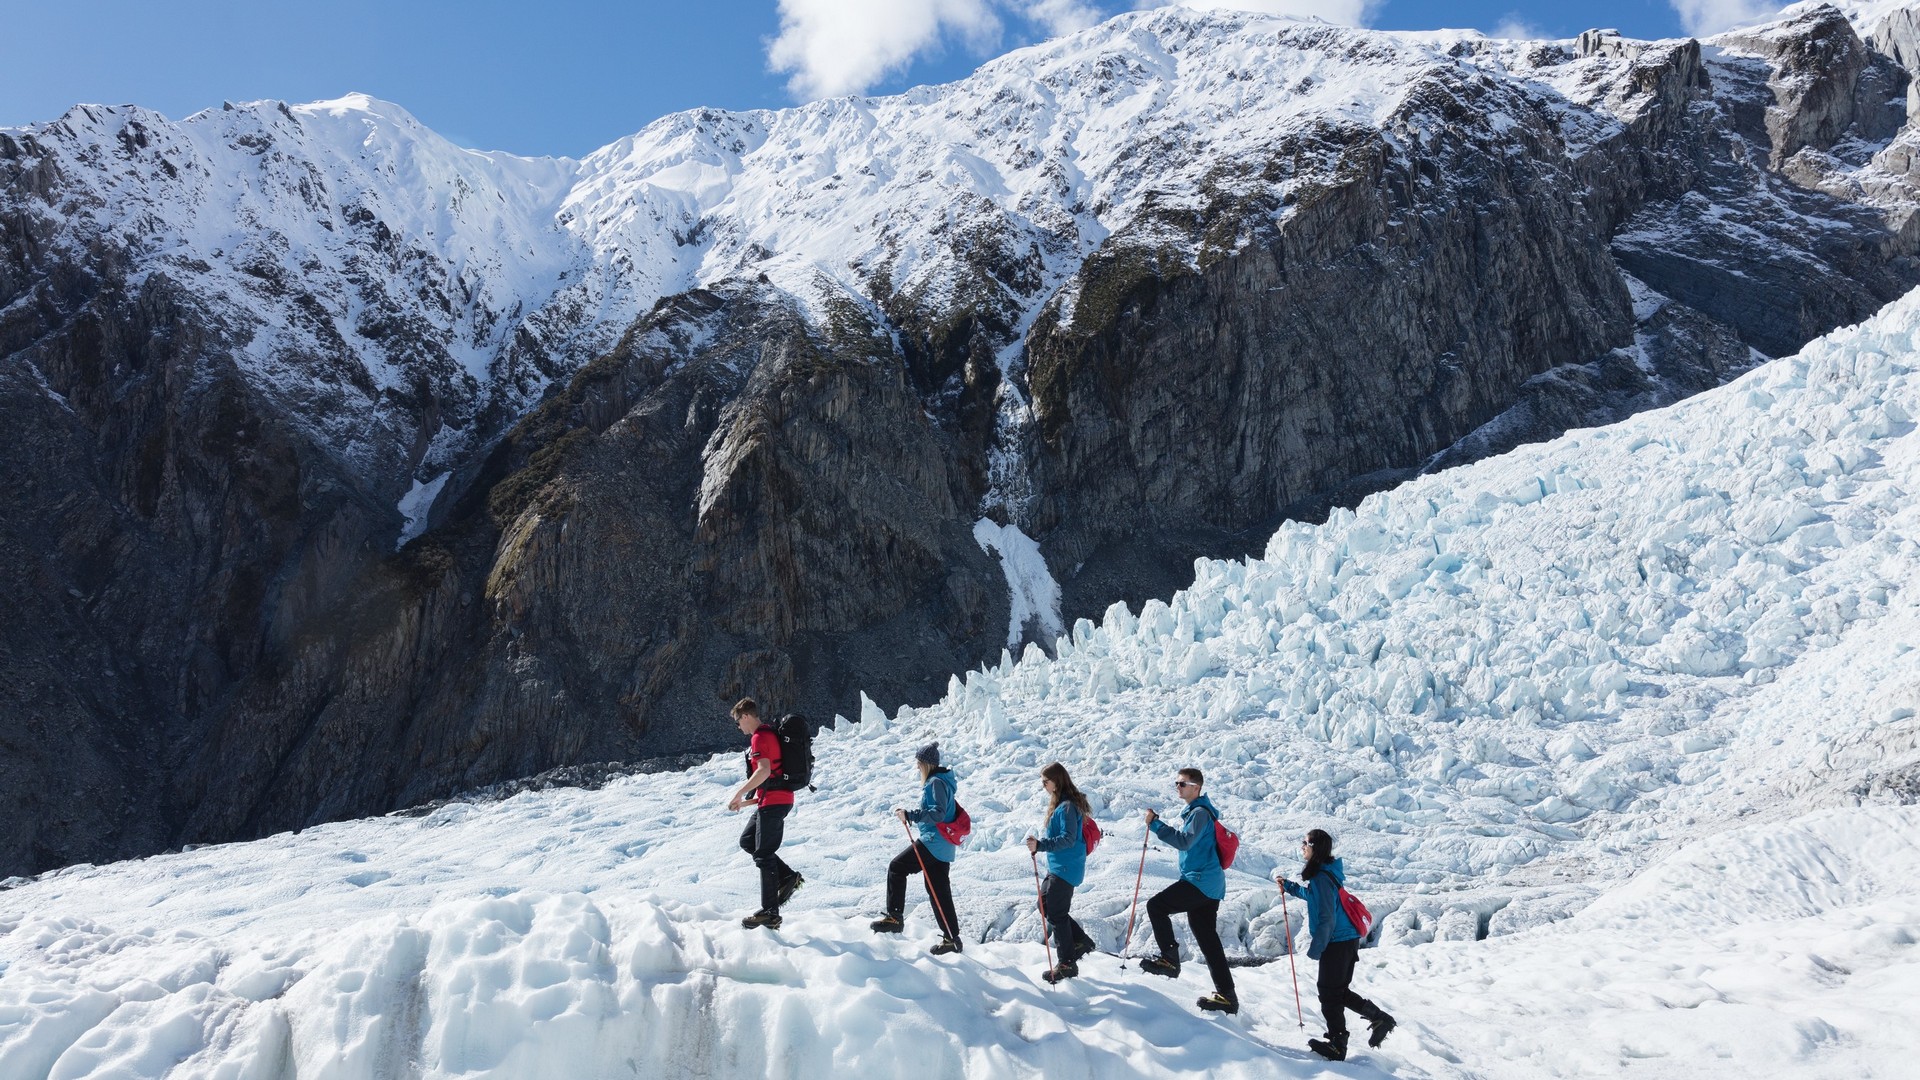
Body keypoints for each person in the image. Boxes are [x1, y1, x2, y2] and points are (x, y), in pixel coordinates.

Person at [1277, 829, 1396, 1060]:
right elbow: (1315, 897)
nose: (1302, 846)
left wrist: (1316, 948)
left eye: (1306, 843)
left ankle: (1337, 1043)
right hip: (1345, 939)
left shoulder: (1321, 877)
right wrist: (1290, 887)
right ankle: (1379, 1019)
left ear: (1315, 847)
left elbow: (1327, 919)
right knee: (1336, 991)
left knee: (1328, 993)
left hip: (1337, 941)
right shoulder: (1325, 873)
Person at [1140, 767, 1237, 1013]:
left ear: (1197, 787)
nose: (1178, 786)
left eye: (1182, 783)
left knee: (1156, 906)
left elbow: (1184, 841)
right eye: (1177, 783)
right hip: (1210, 885)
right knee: (1208, 940)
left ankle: (1170, 960)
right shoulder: (1198, 813)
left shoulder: (1200, 813)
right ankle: (1228, 997)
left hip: (1200, 881)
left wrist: (1156, 825)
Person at [871, 742, 963, 955]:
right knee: (938, 891)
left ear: (927, 764)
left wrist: (911, 815)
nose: (917, 767)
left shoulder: (935, 783)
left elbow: (938, 813)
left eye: (919, 763)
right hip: (943, 846)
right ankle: (952, 939)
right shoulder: (944, 782)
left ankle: (894, 917)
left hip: (933, 842)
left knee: (897, 867)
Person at [728, 698, 802, 930]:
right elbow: (771, 777)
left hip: (775, 801)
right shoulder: (768, 734)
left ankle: (770, 912)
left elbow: (764, 770)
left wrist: (739, 793)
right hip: (771, 800)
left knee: (764, 853)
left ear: (746, 716)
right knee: (748, 841)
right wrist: (748, 802)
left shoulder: (760, 736)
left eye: (738, 721)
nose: (739, 727)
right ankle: (788, 877)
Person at [1025, 762, 1100, 983]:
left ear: (1056, 781)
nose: (1043, 786)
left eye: (1045, 782)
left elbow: (1068, 838)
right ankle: (1080, 941)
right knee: (1045, 904)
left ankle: (1067, 963)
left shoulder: (1067, 807)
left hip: (1066, 867)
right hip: (1059, 866)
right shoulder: (1063, 805)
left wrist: (1041, 845)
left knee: (1056, 913)